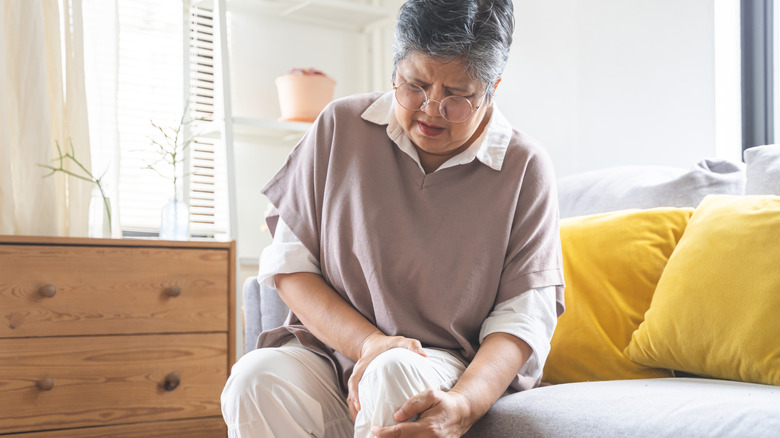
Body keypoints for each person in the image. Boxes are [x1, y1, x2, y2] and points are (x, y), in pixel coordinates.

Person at [221, 0, 565, 436]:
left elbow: (523, 319)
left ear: (492, 87)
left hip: (444, 365)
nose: (431, 108)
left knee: (392, 371)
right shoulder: (340, 126)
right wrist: (368, 343)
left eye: (458, 95)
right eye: (415, 84)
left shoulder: (524, 166)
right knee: (255, 378)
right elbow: (290, 268)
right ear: (394, 69)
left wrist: (462, 403)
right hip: (331, 352)